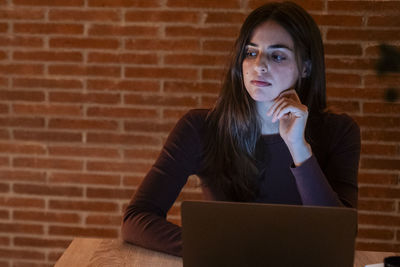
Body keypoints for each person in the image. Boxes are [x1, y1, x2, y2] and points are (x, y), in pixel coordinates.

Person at [121, 1, 360, 257]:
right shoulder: (200, 128)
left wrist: (298, 147)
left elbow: (337, 237)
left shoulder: (340, 132)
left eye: (277, 55)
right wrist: (221, 249)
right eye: (251, 52)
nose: (259, 65)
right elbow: (136, 220)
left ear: (306, 67)